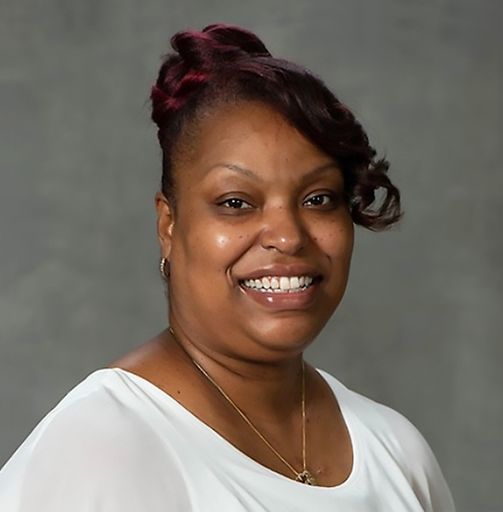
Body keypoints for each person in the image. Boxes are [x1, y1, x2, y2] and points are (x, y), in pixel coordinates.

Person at [0, 22, 456, 511]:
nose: (287, 236)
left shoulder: (395, 451)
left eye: (318, 198)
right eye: (236, 202)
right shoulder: (99, 449)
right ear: (169, 225)